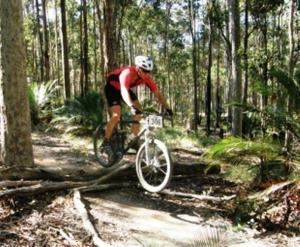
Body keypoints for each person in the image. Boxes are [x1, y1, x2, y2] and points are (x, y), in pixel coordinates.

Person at [102, 55, 173, 149]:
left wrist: (167, 108)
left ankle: (133, 139)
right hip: (112, 88)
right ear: (138, 68)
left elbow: (158, 94)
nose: (147, 74)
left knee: (139, 110)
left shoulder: (146, 78)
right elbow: (123, 91)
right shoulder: (127, 73)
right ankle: (105, 141)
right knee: (116, 116)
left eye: (148, 72)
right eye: (145, 71)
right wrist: (131, 106)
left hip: (125, 89)